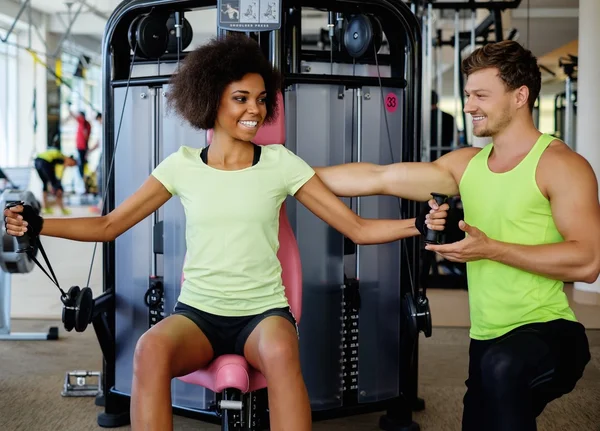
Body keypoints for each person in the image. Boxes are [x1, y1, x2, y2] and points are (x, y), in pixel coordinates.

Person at [4, 34, 448, 431]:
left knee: (280, 353)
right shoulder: (180, 165)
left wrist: (418, 225)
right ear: (211, 100)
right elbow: (109, 225)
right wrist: (41, 225)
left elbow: (356, 228)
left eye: (259, 98)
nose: (254, 109)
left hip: (264, 315)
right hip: (197, 313)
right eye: (241, 98)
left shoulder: (281, 164)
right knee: (149, 350)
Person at [314, 40, 597, 431]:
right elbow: (378, 177)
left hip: (549, 333)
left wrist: (491, 249)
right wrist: (289, 174)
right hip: (487, 340)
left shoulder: (561, 165)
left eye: (481, 95)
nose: (467, 106)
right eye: (467, 94)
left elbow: (587, 261)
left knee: (504, 371)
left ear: (520, 96)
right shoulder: (466, 165)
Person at [33, 147, 77, 215]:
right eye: (71, 164)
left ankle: (45, 208)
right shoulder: (61, 158)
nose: (69, 165)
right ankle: (62, 209)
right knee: (57, 186)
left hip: (37, 161)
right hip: (45, 162)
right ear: (69, 158)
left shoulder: (59, 157)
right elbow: (59, 176)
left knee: (45, 184)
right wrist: (57, 185)